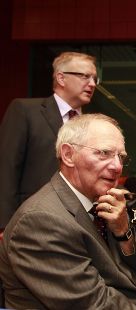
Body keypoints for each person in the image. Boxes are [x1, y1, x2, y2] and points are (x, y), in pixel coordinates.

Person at [0, 114, 136, 309]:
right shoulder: (41, 220)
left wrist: (123, 231)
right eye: (104, 153)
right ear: (68, 155)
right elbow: (93, 305)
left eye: (121, 157)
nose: (117, 166)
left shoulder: (103, 206)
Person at [0, 51, 97, 234]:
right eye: (85, 76)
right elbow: (6, 168)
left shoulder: (93, 123)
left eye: (94, 78)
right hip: (31, 219)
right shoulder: (25, 110)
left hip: (83, 223)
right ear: (61, 78)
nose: (92, 84)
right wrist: (5, 223)